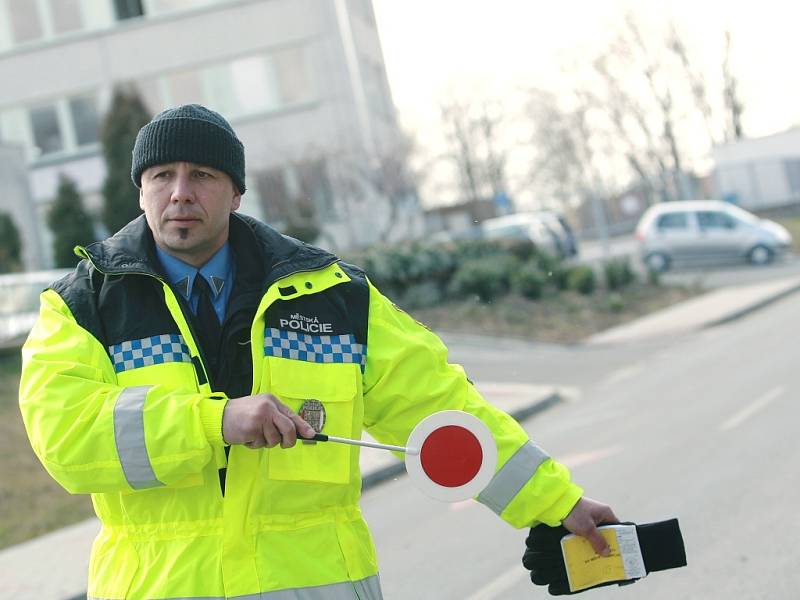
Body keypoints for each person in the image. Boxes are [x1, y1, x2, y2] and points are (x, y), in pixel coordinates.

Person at [19, 104, 616, 600]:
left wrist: (556, 502)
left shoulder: (334, 298)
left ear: (235, 191)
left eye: (201, 174)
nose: (180, 193)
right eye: (161, 176)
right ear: (141, 190)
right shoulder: (82, 306)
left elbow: (441, 411)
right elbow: (67, 437)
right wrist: (216, 422)